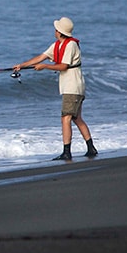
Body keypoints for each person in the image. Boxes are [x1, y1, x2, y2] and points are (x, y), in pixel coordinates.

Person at [13, 17, 98, 160]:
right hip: (70, 86)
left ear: (59, 31)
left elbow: (63, 66)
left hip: (73, 86)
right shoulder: (57, 45)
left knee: (65, 117)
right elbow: (42, 57)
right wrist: (22, 65)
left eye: (56, 29)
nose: (54, 31)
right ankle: (91, 148)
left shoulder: (71, 46)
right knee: (76, 118)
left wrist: (45, 67)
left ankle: (67, 152)